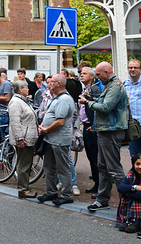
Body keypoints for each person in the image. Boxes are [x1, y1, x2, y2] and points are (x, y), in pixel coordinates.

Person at [79, 62, 128, 213]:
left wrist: (87, 102)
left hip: (112, 130)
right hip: (104, 130)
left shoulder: (115, 86)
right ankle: (102, 199)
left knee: (114, 167)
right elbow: (102, 104)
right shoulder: (109, 85)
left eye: (99, 75)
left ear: (107, 72)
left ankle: (126, 203)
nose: (97, 78)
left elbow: (106, 107)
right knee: (102, 166)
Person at [38, 74, 74, 206]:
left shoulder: (64, 99)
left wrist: (46, 130)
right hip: (50, 139)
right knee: (49, 167)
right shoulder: (56, 98)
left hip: (59, 139)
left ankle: (66, 195)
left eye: (51, 82)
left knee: (63, 168)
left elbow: (60, 121)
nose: (49, 84)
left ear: (58, 83)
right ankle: (51, 191)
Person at [8, 80, 38, 199]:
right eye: (26, 87)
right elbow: (15, 122)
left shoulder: (22, 100)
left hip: (27, 137)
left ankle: (25, 187)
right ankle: (23, 189)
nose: (28, 89)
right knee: (23, 164)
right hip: (24, 138)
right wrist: (19, 138)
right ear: (20, 89)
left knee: (26, 163)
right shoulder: (16, 102)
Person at [78, 66, 102, 195]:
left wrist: (94, 125)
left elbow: (97, 108)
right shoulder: (86, 89)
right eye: (81, 73)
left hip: (92, 127)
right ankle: (97, 184)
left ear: (92, 76)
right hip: (86, 126)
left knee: (95, 157)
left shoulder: (95, 89)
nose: (81, 75)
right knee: (91, 156)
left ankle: (100, 186)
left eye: (85, 74)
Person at [116, 154, 141, 234]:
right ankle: (127, 221)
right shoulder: (131, 175)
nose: (140, 167)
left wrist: (128, 192)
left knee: (135, 200)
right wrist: (135, 187)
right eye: (137, 164)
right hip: (132, 198)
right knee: (126, 199)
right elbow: (120, 188)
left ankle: (135, 223)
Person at [124, 58, 141, 158]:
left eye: (135, 67)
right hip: (132, 125)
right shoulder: (124, 84)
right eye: (130, 67)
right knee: (134, 155)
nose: (132, 69)